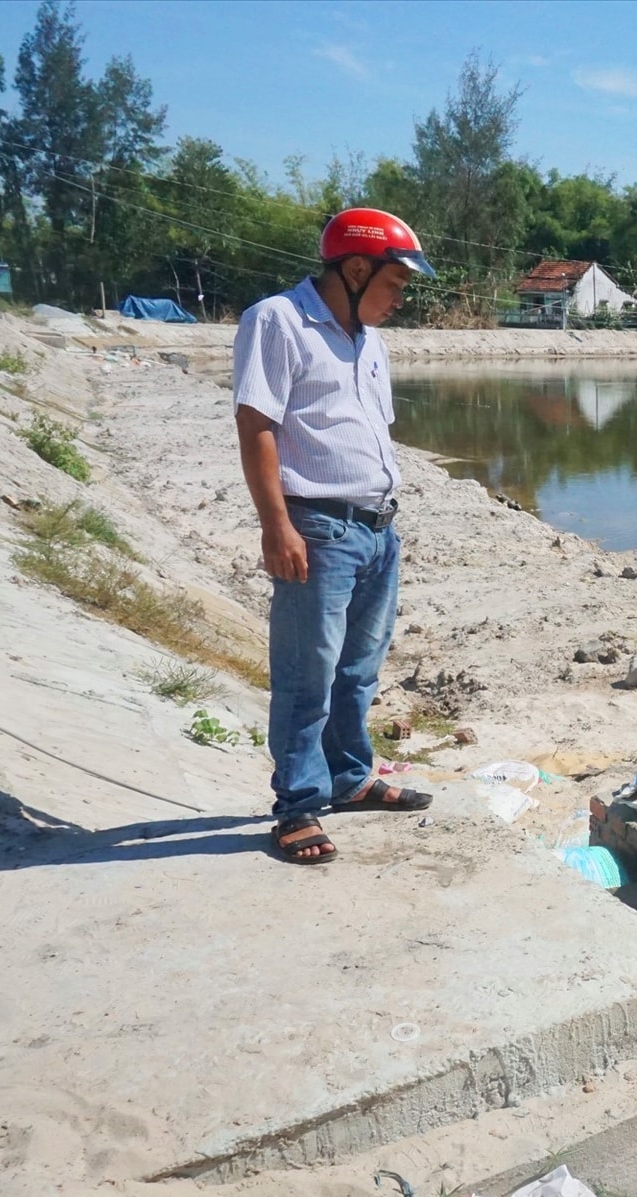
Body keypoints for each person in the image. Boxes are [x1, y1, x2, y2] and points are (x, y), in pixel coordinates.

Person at [232, 208, 438, 865]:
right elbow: (256, 425)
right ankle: (297, 805)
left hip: (378, 528)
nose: (401, 297)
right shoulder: (278, 321)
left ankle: (350, 779)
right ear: (355, 269)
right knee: (306, 672)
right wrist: (277, 526)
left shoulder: (369, 341)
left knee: (357, 669)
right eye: (394, 283)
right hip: (317, 528)